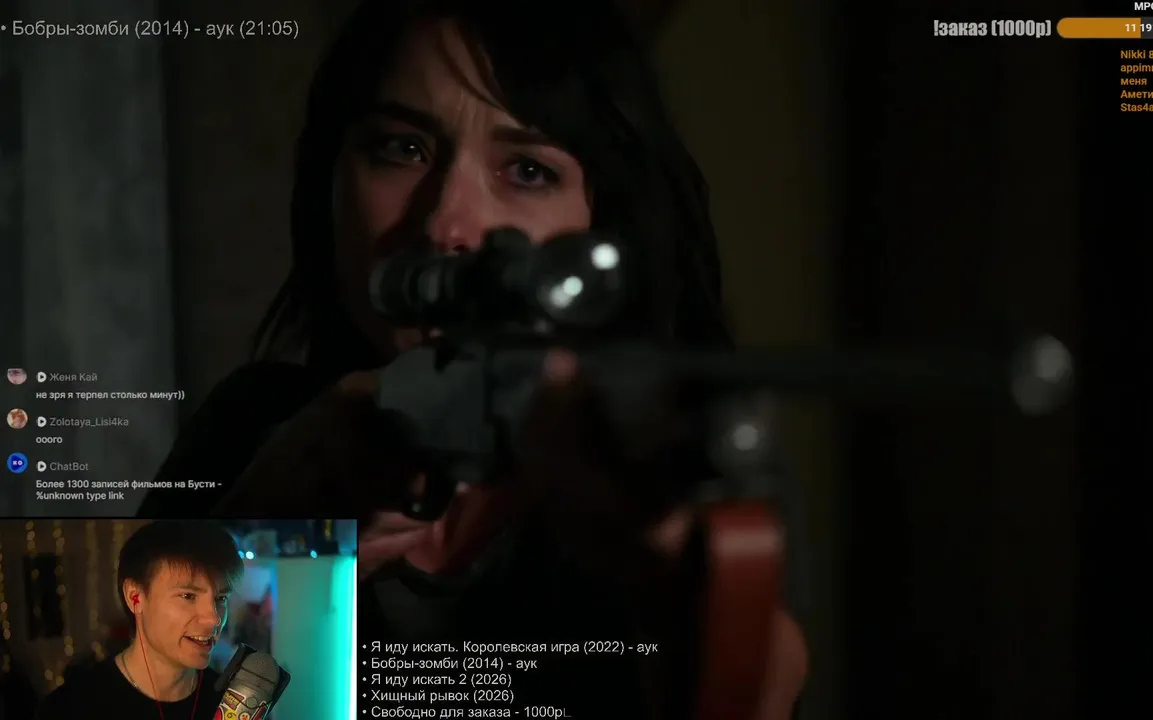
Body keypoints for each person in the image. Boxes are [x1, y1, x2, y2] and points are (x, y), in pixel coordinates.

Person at [139, 1, 806, 717]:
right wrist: (268, 532)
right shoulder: (253, 425)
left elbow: (760, 685)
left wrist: (650, 534)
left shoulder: (665, 449)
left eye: (528, 169)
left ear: (604, 219)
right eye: (402, 148)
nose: (445, 225)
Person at [36, 520, 242, 719]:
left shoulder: (234, 707)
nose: (214, 619)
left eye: (221, 598)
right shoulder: (70, 707)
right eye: (188, 596)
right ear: (135, 597)